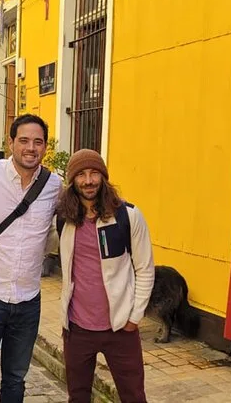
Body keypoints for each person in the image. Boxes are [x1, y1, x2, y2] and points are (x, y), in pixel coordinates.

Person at [0, 114, 62, 403]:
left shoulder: (54, 186)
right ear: (11, 143)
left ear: (45, 147)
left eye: (38, 142)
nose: (30, 148)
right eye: (24, 140)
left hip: (28, 301)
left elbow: (83, 204)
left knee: (16, 381)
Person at [57, 149, 155, 403]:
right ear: (72, 180)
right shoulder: (65, 218)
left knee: (134, 397)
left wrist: (134, 317)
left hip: (120, 328)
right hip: (77, 328)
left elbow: (145, 269)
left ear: (103, 177)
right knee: (77, 397)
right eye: (81, 175)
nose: (88, 181)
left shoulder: (128, 216)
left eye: (94, 173)